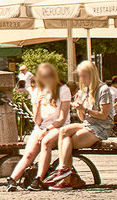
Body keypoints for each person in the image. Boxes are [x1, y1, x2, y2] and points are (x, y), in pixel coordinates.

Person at [46, 61, 114, 190]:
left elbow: (104, 116)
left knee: (68, 142)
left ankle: (64, 176)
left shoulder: (103, 90)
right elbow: (83, 119)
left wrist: (85, 109)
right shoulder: (85, 91)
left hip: (101, 127)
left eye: (83, 76)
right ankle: (64, 171)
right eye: (80, 76)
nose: (81, 79)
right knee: (63, 131)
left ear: (91, 75)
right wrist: (79, 109)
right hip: (88, 124)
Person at [4, 62, 71, 191]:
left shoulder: (63, 90)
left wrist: (47, 130)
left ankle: (39, 179)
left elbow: (62, 118)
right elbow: (37, 120)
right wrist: (38, 105)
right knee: (29, 153)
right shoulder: (37, 92)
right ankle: (13, 179)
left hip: (58, 127)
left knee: (46, 142)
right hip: (41, 127)